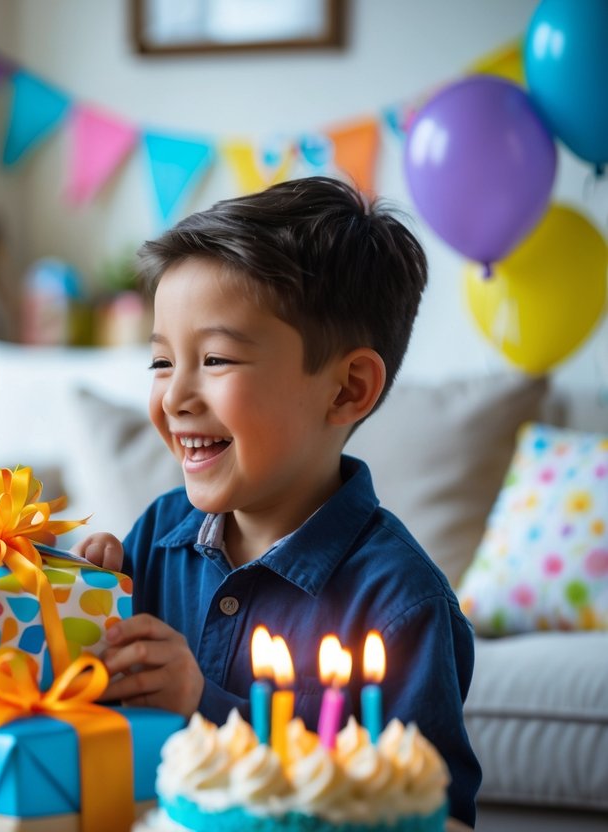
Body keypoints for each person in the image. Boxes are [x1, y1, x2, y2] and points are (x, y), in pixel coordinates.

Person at [73, 177, 481, 827]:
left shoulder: (400, 604)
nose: (174, 395)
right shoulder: (155, 538)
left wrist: (201, 703)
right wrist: (71, 612)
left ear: (347, 389)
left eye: (214, 359)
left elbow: (435, 815)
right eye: (159, 362)